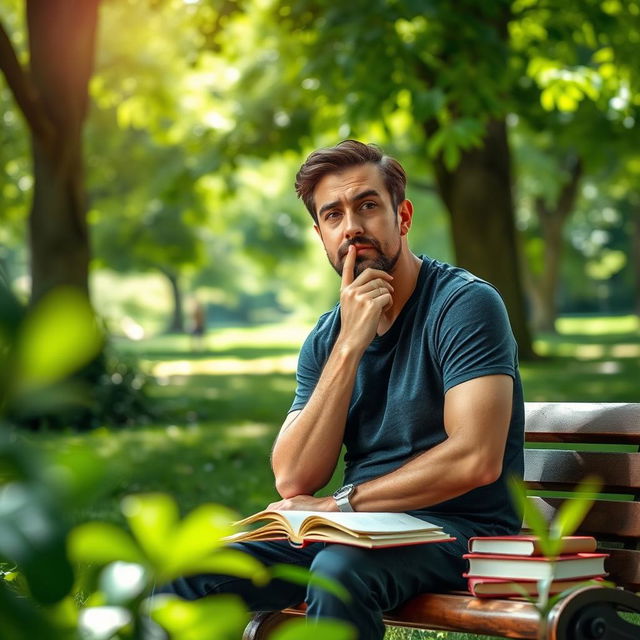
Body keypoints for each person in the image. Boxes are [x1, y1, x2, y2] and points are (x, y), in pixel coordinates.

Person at [160, 140, 524, 640]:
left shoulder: (464, 305)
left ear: (403, 216)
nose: (351, 226)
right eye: (333, 215)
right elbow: (294, 476)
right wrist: (349, 345)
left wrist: (338, 507)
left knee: (338, 570)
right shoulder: (329, 335)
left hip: (459, 531)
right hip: (357, 532)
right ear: (321, 234)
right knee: (183, 571)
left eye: (367, 206)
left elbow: (475, 459)